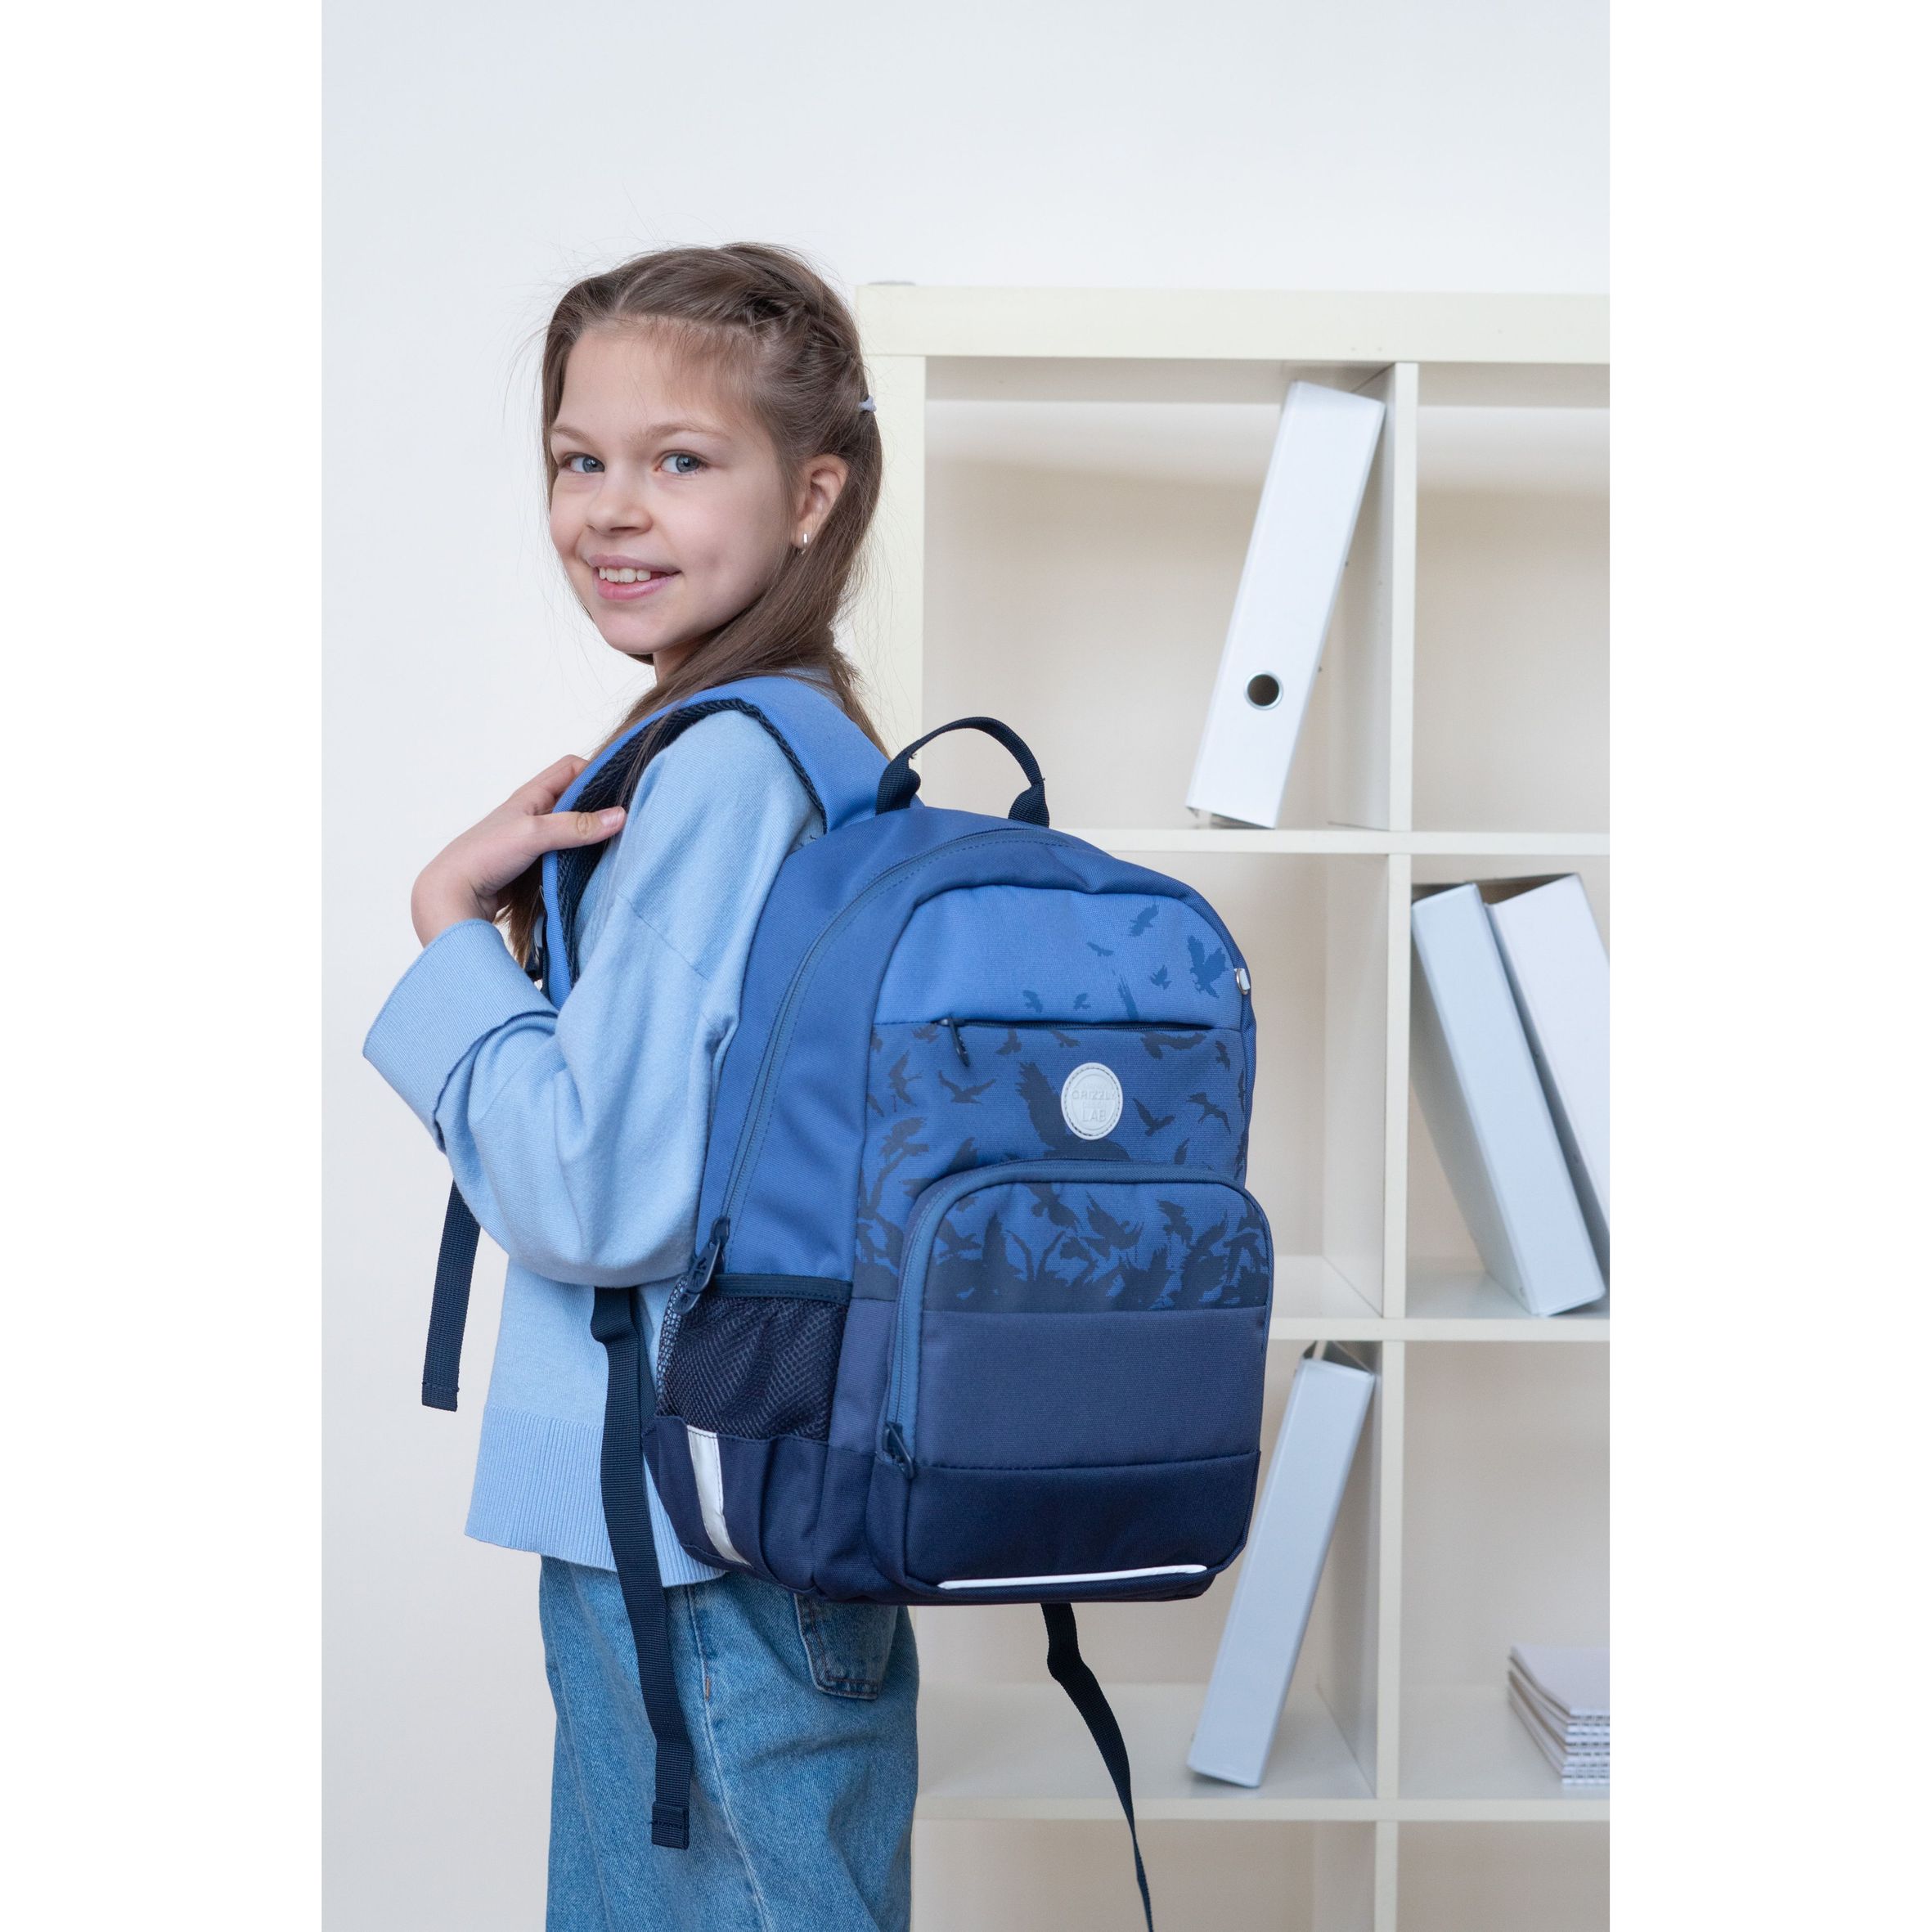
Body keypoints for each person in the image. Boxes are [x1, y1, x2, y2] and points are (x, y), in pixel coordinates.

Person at [362, 243, 918, 1931]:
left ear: (811, 492)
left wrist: (446, 927)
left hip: (689, 1539)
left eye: (679, 459)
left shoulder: (722, 770)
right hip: (742, 1501)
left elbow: (593, 1195)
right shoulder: (804, 740)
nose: (611, 508)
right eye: (577, 457)